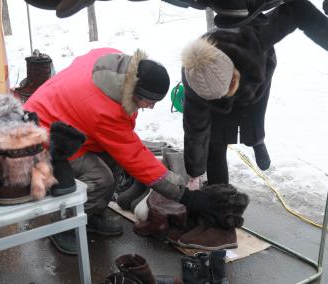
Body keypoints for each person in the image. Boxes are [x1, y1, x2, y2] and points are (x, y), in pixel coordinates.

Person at [25, 47, 249, 254]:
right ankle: (63, 225)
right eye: (148, 101)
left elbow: (124, 146)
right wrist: (186, 196)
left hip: (65, 119)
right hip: (41, 138)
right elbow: (134, 157)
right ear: (135, 91)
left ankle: (90, 214)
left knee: (113, 159)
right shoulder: (104, 110)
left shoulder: (115, 62)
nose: (150, 107)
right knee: (100, 177)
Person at [181, 0, 328, 187]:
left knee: (254, 117)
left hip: (256, 84)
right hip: (216, 104)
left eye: (227, 91)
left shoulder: (255, 38)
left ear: (235, 76)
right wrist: (195, 173)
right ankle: (221, 195)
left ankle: (257, 141)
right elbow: (195, 129)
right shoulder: (195, 83)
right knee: (214, 141)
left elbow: (296, 9)